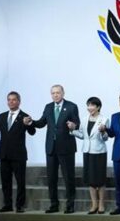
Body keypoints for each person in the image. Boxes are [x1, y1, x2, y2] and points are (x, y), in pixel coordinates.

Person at [26, 84, 80, 213]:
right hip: (51, 148)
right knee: (51, 178)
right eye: (53, 93)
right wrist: (31, 122)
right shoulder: (48, 107)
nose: (55, 95)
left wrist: (74, 125)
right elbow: (41, 123)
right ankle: (54, 205)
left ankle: (70, 205)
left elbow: (77, 124)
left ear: (63, 93)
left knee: (69, 178)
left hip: (66, 148)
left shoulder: (71, 106)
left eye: (58, 92)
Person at [0, 90, 34, 213]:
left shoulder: (25, 116)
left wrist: (29, 124)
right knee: (5, 182)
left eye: (14, 100)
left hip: (19, 155)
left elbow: (32, 132)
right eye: (9, 100)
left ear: (19, 102)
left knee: (20, 182)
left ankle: (19, 206)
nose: (11, 102)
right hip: (4, 155)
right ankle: (7, 205)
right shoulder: (2, 116)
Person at [73, 96, 109, 214]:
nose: (90, 108)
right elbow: (82, 135)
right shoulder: (84, 119)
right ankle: (94, 204)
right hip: (87, 152)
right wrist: (73, 130)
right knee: (90, 180)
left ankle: (101, 204)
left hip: (99, 152)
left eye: (92, 105)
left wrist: (103, 131)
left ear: (98, 107)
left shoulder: (104, 119)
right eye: (88, 105)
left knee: (100, 179)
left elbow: (105, 138)